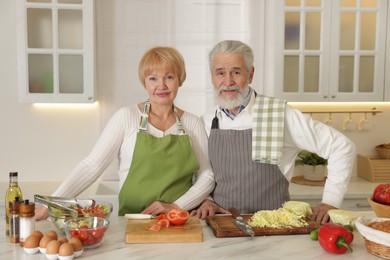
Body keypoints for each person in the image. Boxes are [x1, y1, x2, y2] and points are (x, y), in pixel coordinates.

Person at [35, 46, 214, 220]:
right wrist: (50, 203)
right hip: (132, 221)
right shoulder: (126, 117)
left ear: (180, 79)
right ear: (144, 81)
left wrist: (176, 207)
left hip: (180, 222)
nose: (161, 85)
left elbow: (207, 176)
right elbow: (92, 165)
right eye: (153, 78)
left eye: (169, 77)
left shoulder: (192, 123)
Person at [192, 40, 356, 224]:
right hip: (222, 224)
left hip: (275, 228)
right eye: (220, 73)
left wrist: (331, 201)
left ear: (250, 74)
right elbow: (205, 174)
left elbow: (342, 147)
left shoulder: (279, 113)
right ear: (212, 77)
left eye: (236, 72)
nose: (228, 82)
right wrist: (208, 200)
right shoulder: (207, 121)